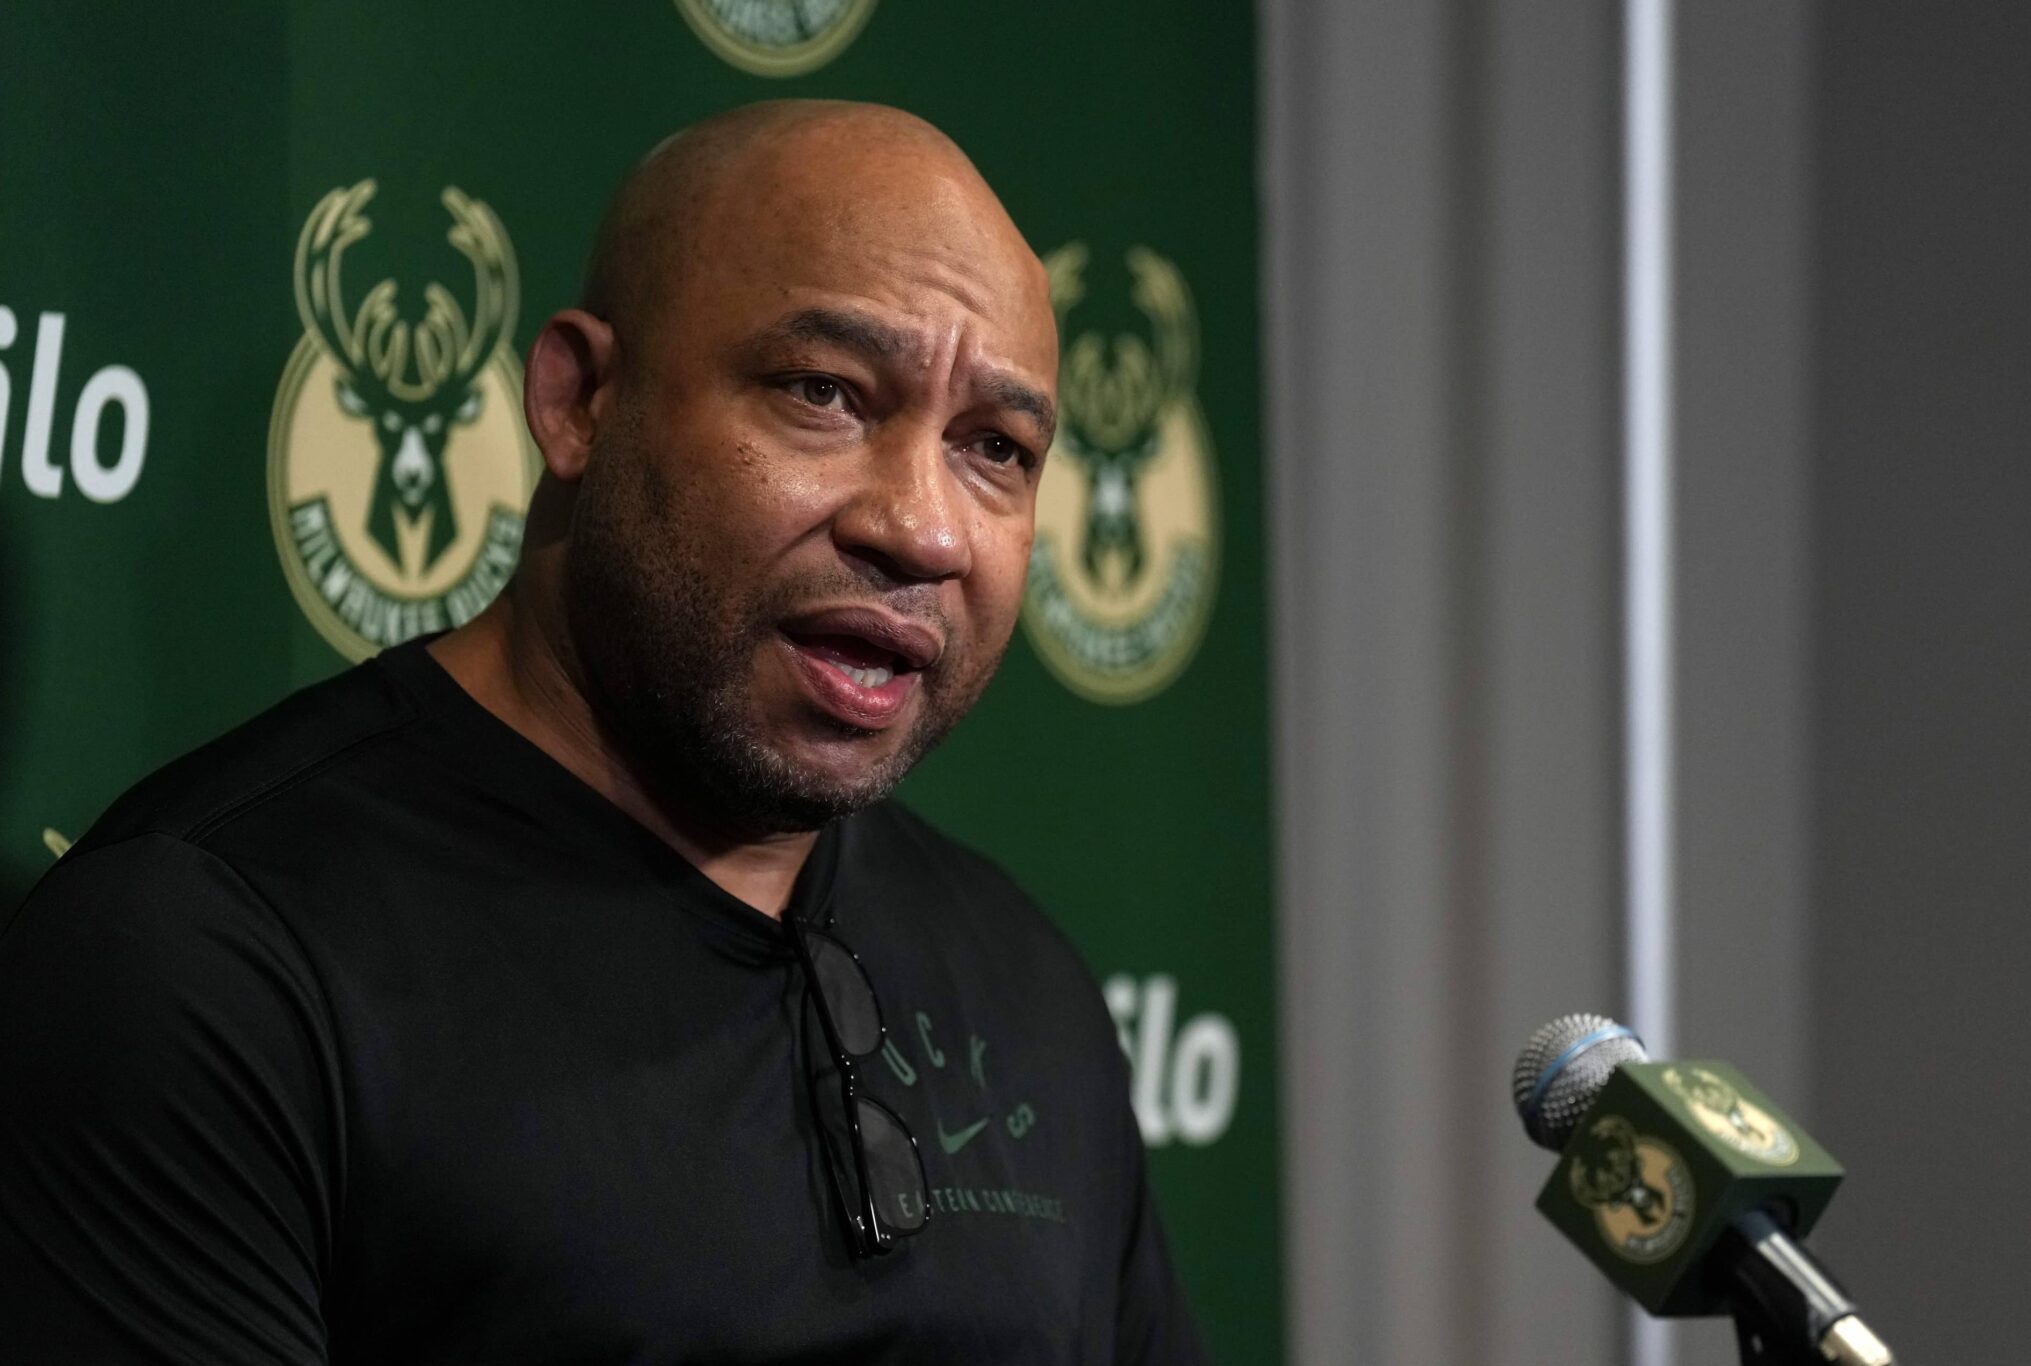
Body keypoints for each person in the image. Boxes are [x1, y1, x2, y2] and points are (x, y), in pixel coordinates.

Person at [0, 101, 1207, 1364]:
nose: (923, 529)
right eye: (825, 393)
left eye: (994, 449)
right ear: (577, 400)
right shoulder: (211, 962)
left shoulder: (1025, 980)